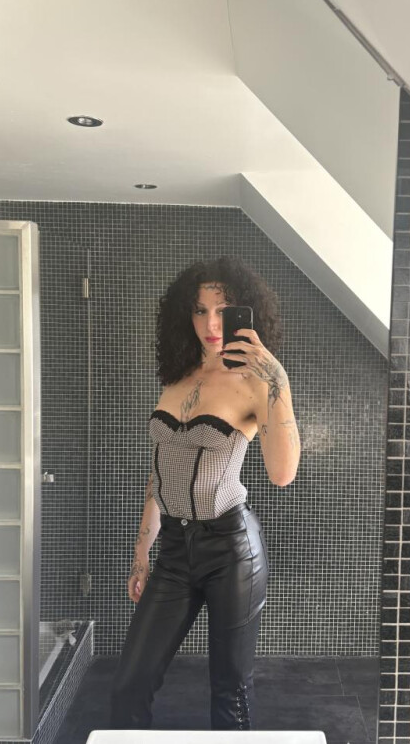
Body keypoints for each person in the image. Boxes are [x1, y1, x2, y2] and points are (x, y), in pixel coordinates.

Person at [110, 255, 301, 731]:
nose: (211, 324)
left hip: (231, 550)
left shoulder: (255, 383)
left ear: (243, 313)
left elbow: (282, 474)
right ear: (185, 314)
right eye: (199, 310)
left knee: (230, 691)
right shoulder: (176, 374)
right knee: (130, 683)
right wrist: (142, 552)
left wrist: (278, 381)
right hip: (175, 551)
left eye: (223, 310)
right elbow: (161, 471)